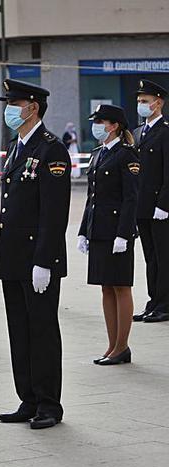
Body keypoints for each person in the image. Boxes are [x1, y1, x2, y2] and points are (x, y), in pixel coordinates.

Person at [0, 79, 70, 430]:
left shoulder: (51, 150)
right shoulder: (17, 146)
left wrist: (44, 260)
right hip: (12, 256)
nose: (9, 109)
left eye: (15, 103)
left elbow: (54, 214)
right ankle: (28, 397)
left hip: (37, 258)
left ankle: (49, 404)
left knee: (41, 330)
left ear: (33, 108)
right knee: (19, 330)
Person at [78, 104, 140, 365]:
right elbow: (91, 197)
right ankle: (111, 345)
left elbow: (131, 198)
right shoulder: (98, 154)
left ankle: (122, 347)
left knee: (121, 287)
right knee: (105, 287)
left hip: (117, 233)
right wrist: (83, 231)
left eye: (101, 122)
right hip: (99, 230)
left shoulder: (127, 156)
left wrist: (124, 234)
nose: (97, 126)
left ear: (114, 125)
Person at [133, 79, 169, 323]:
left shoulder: (165, 131)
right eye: (139, 101)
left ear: (158, 102)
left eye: (145, 101)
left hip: (160, 207)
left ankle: (165, 304)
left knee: (164, 256)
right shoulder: (137, 133)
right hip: (142, 206)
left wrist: (164, 205)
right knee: (150, 257)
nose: (141, 105)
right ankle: (153, 300)